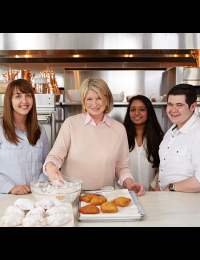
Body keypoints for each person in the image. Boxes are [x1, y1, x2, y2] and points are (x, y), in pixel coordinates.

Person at [43, 78, 144, 195]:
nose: (94, 104)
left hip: (105, 197)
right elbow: (55, 156)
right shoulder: (71, 124)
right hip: (73, 195)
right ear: (84, 101)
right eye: (89, 99)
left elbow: (121, 167)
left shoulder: (119, 129)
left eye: (99, 98)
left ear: (107, 100)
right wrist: (51, 167)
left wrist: (130, 183)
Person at [0, 79, 49, 194]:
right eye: (18, 96)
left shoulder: (40, 130)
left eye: (28, 95)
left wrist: (39, 184)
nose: (24, 101)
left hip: (36, 196)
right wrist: (10, 188)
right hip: (6, 198)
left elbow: (47, 164)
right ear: (9, 100)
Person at [157, 83, 200, 192]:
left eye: (179, 105)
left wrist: (171, 187)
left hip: (188, 205)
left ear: (193, 107)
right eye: (170, 104)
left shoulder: (197, 133)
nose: (173, 110)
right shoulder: (171, 131)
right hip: (168, 201)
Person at [124, 95, 164, 191]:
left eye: (142, 109)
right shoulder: (121, 136)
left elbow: (163, 166)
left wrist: (154, 186)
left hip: (151, 194)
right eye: (132, 110)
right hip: (126, 194)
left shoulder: (159, 138)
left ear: (149, 112)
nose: (136, 113)